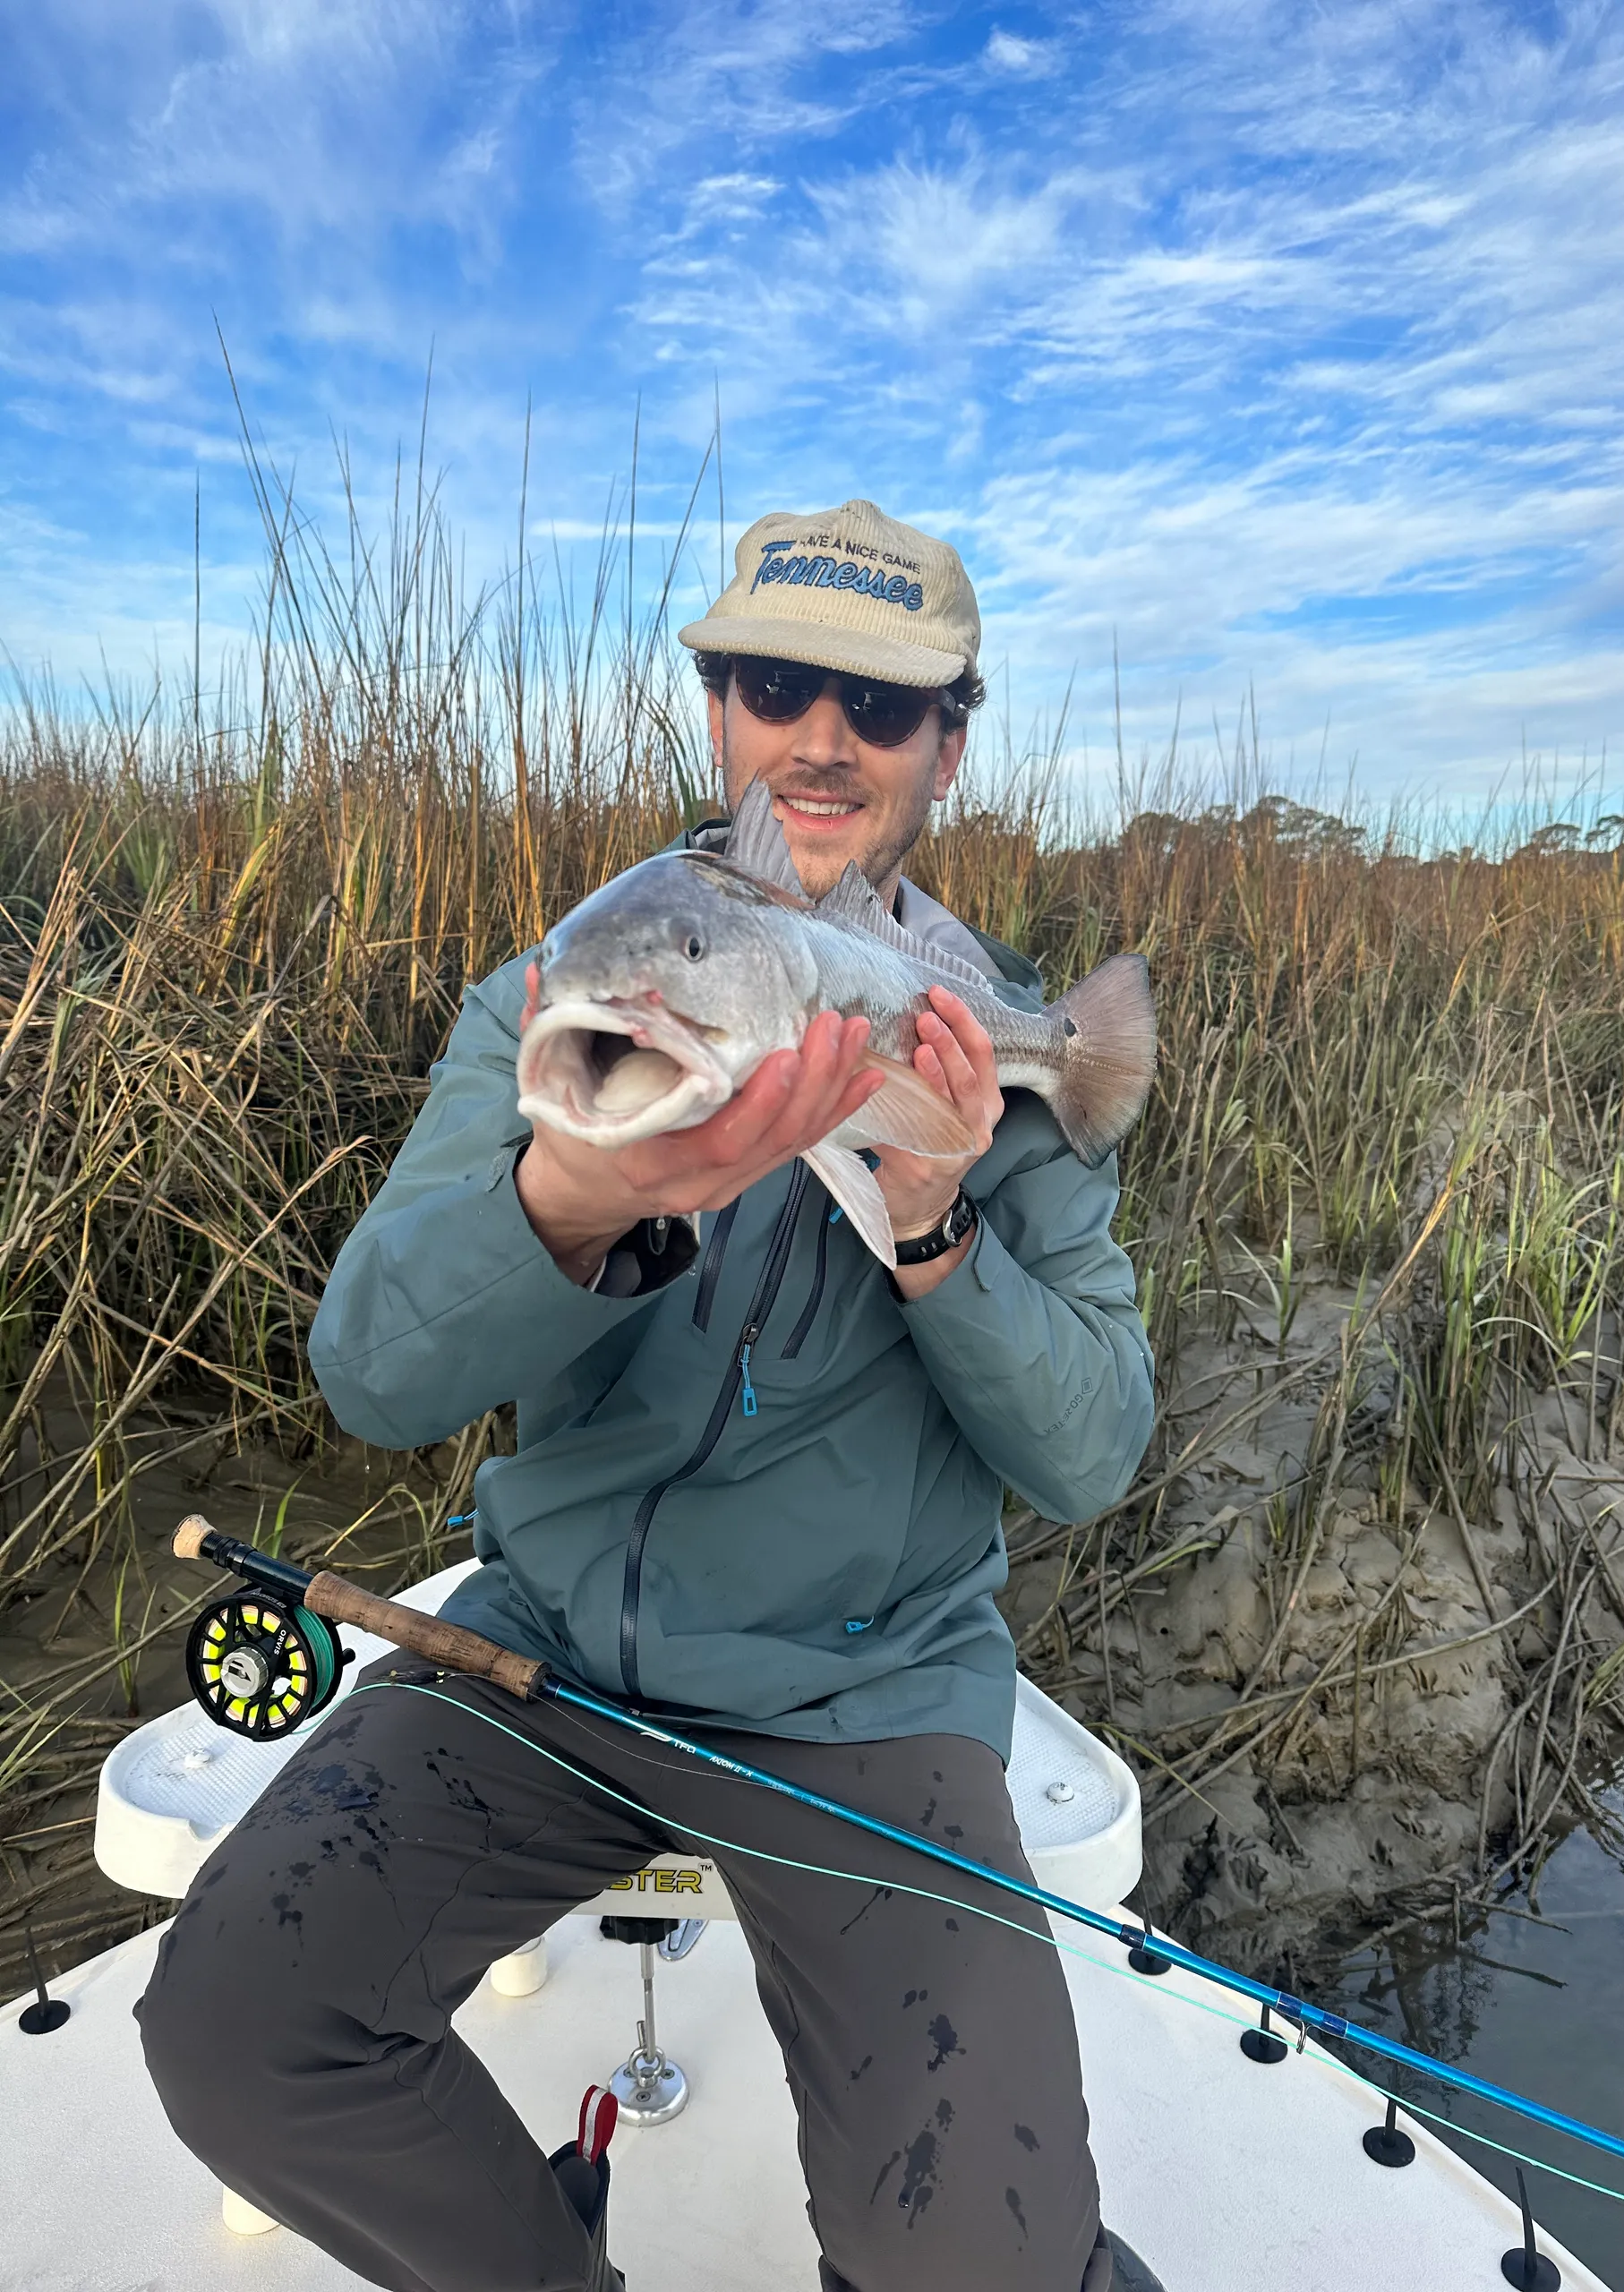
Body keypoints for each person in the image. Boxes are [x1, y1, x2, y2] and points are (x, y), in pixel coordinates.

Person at [137, 498, 1160, 2292]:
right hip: (544, 1653)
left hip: (871, 1691)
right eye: (775, 682)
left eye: (882, 701)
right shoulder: (573, 987)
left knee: (983, 2254)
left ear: (949, 740)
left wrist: (934, 1230)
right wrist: (584, 1192)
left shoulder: (980, 1036)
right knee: (235, 2022)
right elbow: (372, 1375)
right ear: (718, 705)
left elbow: (1090, 1451)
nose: (823, 736)